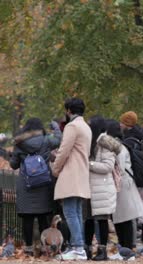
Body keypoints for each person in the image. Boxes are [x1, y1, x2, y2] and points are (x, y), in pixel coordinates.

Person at [9, 118, 62, 256]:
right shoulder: (46, 140)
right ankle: (45, 248)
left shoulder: (19, 143)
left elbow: (13, 165)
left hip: (26, 184)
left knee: (27, 218)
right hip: (44, 183)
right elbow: (59, 140)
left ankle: (28, 248)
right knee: (43, 216)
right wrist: (56, 128)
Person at [51, 98, 92, 260]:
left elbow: (63, 151)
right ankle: (79, 246)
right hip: (81, 173)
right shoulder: (86, 127)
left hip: (70, 173)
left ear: (68, 110)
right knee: (76, 212)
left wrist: (55, 169)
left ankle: (78, 247)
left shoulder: (72, 126)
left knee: (69, 212)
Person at [105, 119, 143, 258]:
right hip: (122, 185)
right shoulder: (119, 145)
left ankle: (127, 249)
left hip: (123, 184)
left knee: (125, 219)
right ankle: (124, 249)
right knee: (120, 219)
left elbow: (120, 167)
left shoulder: (119, 147)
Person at [83, 115, 120, 261]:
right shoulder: (92, 142)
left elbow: (108, 166)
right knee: (89, 219)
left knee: (102, 219)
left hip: (102, 187)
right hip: (92, 186)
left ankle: (102, 251)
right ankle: (87, 249)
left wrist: (89, 164)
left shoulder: (105, 143)